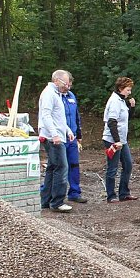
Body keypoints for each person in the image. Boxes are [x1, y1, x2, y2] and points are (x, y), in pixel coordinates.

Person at [39, 69, 75, 212]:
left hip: (58, 135)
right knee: (62, 167)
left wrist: (67, 130)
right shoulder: (49, 94)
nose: (67, 86)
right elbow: (46, 115)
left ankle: (45, 200)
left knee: (52, 168)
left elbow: (58, 117)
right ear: (56, 80)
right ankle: (57, 202)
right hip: (53, 138)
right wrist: (55, 135)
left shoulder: (57, 94)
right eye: (65, 83)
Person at [102, 76, 137, 203]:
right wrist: (116, 141)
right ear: (121, 89)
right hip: (112, 139)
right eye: (128, 90)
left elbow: (126, 119)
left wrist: (132, 107)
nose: (130, 92)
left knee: (128, 165)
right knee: (113, 167)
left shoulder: (122, 101)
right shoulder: (115, 101)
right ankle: (111, 195)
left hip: (122, 140)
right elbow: (112, 122)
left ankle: (124, 193)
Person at [61, 72, 86, 204]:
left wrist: (79, 135)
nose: (69, 85)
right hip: (60, 136)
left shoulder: (71, 96)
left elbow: (76, 116)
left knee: (74, 165)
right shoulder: (56, 97)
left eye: (70, 83)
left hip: (73, 137)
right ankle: (50, 193)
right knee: (59, 166)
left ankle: (75, 193)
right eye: (67, 83)